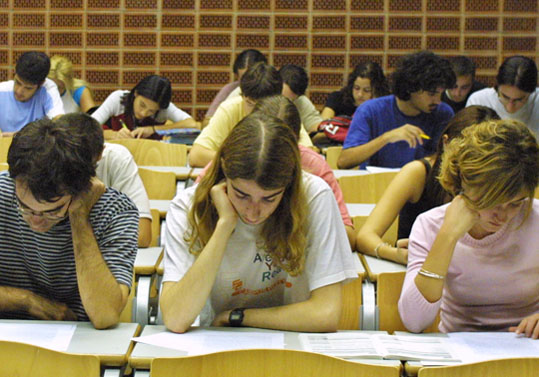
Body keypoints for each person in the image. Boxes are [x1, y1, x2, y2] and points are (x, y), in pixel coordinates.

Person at [160, 112, 357, 333]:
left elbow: (326, 314)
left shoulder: (315, 196)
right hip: (220, 344)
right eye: (242, 195)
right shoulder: (186, 206)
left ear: (290, 183)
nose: (253, 213)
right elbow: (176, 319)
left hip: (291, 339)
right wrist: (224, 225)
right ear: (224, 169)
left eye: (269, 198)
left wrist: (238, 317)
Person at [398, 119, 539, 338]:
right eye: (490, 200)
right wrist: (448, 235)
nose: (501, 216)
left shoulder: (536, 218)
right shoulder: (431, 224)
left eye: (515, 203)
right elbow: (414, 321)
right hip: (458, 352)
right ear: (463, 184)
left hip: (529, 347)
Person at [0, 116, 138, 328]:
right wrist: (27, 301)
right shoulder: (2, 192)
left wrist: (79, 216)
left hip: (78, 344)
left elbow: (105, 316)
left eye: (52, 211)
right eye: (25, 208)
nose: (36, 222)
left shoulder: (115, 211)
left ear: (80, 189)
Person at [195, 95, 356, 248]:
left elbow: (347, 236)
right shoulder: (237, 158)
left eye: (282, 148)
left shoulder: (314, 166)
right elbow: (193, 210)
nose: (271, 156)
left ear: (296, 142)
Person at [356, 106, 500, 265]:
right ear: (446, 143)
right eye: (466, 153)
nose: (472, 164)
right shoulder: (417, 173)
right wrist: (398, 255)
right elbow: (365, 236)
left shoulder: (504, 186)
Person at [338, 51, 455, 169]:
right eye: (432, 94)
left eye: (441, 94)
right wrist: (386, 138)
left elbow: (443, 160)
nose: (438, 101)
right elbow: (344, 161)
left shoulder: (443, 113)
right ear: (411, 88)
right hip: (375, 184)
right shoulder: (370, 110)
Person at [188, 62, 313, 168]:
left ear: (277, 100)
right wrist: (245, 163)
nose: (256, 111)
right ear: (242, 96)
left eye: (263, 105)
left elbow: (309, 158)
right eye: (250, 104)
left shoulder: (285, 112)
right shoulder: (230, 109)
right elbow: (196, 156)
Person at [59, 113, 152, 247]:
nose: (76, 173)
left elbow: (141, 235)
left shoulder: (116, 158)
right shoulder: (46, 161)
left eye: (84, 165)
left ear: (101, 153)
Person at [91, 75, 199, 140]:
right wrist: (113, 134)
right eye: (142, 105)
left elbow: (193, 125)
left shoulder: (164, 109)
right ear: (136, 93)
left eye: (151, 111)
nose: (143, 113)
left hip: (150, 156)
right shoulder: (118, 99)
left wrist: (153, 129)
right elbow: (86, 126)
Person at [466, 55, 539, 139]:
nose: (510, 107)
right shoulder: (479, 101)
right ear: (497, 86)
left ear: (532, 91)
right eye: (505, 97)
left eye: (519, 100)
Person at [0, 51, 64, 136]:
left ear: (41, 84)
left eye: (28, 88)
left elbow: (60, 126)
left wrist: (18, 136)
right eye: (17, 82)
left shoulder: (48, 89)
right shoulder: (2, 90)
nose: (19, 91)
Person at [202, 49, 267, 128]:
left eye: (252, 77)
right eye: (243, 78)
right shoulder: (232, 91)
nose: (249, 83)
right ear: (237, 76)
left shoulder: (274, 91)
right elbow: (206, 123)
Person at [321, 61, 389, 119]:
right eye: (357, 88)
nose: (360, 94)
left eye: (367, 90)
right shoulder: (337, 98)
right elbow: (323, 126)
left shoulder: (385, 105)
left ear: (378, 90)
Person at [278, 64, 324, 134]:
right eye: (281, 97)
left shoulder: (301, 102)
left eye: (290, 100)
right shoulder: (263, 99)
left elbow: (317, 128)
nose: (284, 103)